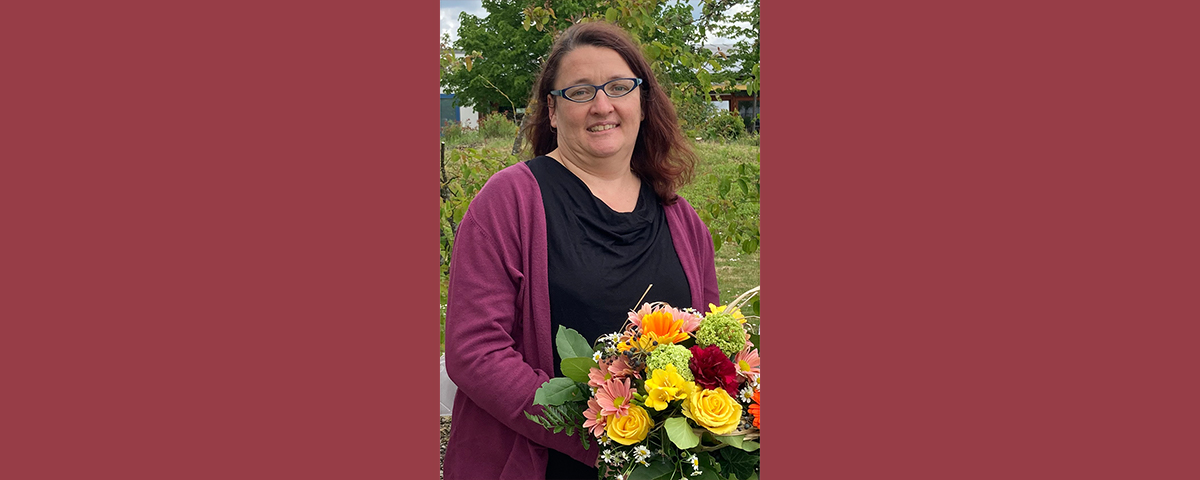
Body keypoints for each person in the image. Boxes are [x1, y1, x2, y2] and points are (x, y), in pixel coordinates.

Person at [443, 21, 719, 480]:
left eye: (617, 86)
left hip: (659, 468)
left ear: (643, 102)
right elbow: (476, 351)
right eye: (580, 92)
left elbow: (706, 344)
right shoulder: (509, 202)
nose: (602, 105)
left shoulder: (682, 220)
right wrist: (608, 438)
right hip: (543, 465)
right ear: (552, 111)